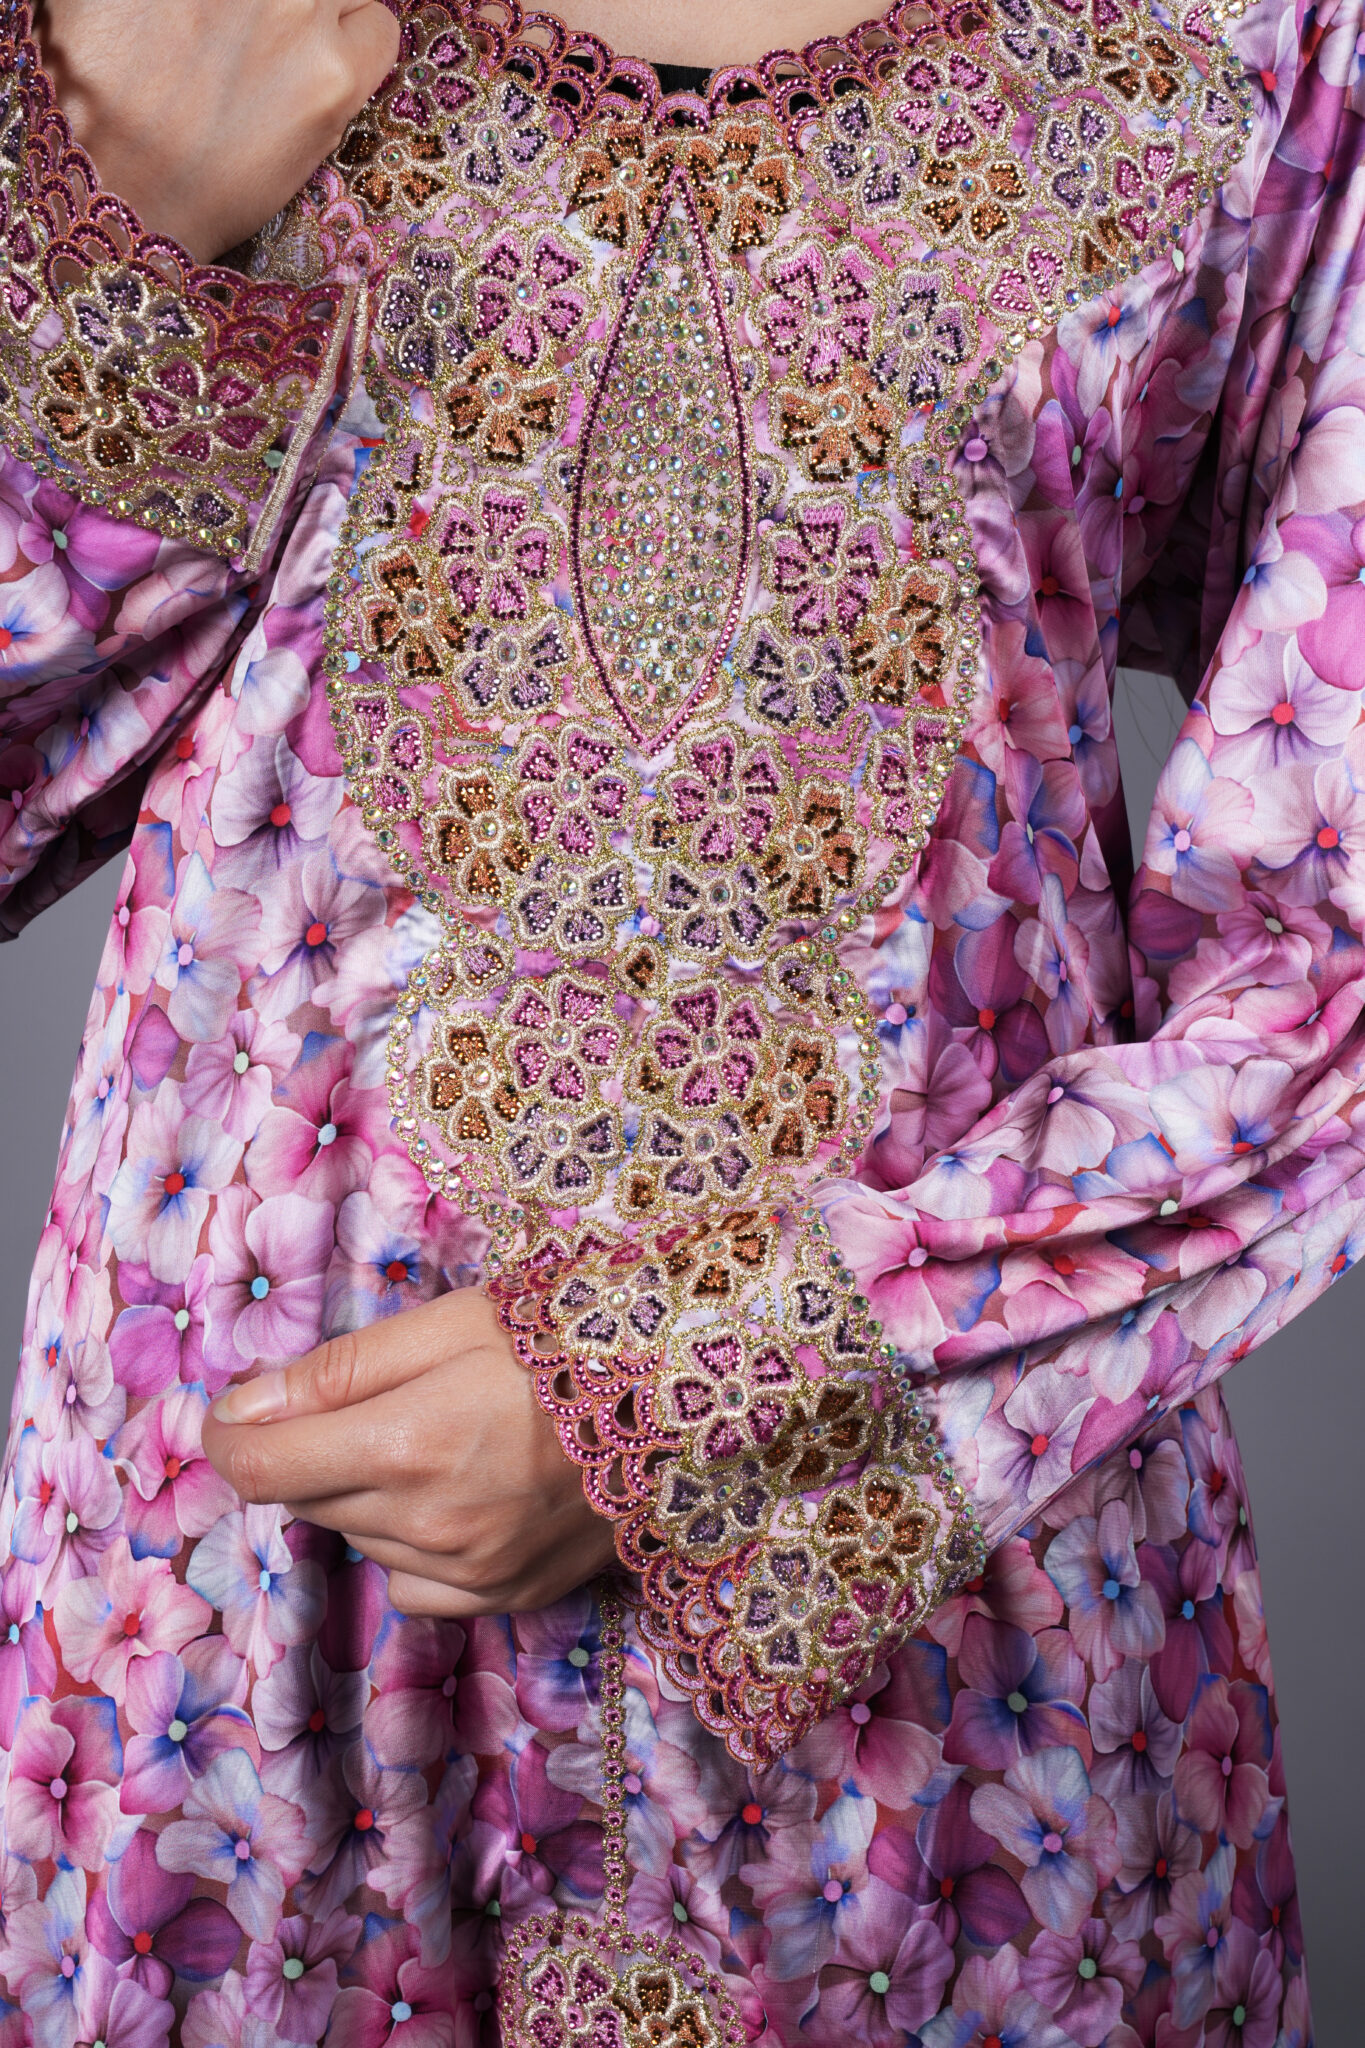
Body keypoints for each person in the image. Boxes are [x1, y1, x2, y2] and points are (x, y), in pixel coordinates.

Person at [0, 0, 1349, 2035]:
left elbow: (1336, 957)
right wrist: (123, 260)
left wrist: (737, 1387)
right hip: (233, 1685)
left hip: (944, 1716)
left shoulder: (1264, 43)